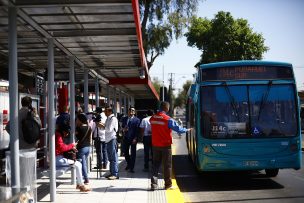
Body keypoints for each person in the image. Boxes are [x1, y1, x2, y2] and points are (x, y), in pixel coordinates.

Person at [150, 101, 192, 191]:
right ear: (167, 108)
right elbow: (179, 130)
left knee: (155, 165)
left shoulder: (152, 118)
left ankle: (153, 184)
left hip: (155, 145)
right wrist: (187, 129)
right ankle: (168, 185)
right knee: (167, 165)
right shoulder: (168, 119)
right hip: (165, 146)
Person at [55, 122, 90, 192]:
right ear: (63, 131)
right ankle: (81, 185)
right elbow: (61, 147)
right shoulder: (58, 136)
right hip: (57, 159)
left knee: (78, 164)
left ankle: (79, 184)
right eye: (66, 132)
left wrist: (71, 147)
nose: (67, 134)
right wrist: (72, 145)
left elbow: (61, 147)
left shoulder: (58, 134)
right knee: (78, 164)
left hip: (58, 158)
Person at [121, 106, 140, 173]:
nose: (131, 112)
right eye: (130, 110)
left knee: (133, 153)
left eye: (133, 110)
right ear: (128, 111)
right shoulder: (124, 119)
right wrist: (123, 129)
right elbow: (122, 127)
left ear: (134, 112)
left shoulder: (137, 120)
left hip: (133, 139)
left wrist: (135, 138)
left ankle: (132, 168)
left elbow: (137, 130)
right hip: (126, 138)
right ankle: (129, 163)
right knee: (125, 152)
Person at [75, 113, 92, 185]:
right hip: (88, 147)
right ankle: (84, 177)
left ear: (80, 120)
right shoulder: (89, 127)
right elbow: (90, 138)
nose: (76, 121)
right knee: (83, 163)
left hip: (81, 148)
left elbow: (75, 137)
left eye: (77, 120)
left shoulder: (79, 128)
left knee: (81, 164)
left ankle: (85, 179)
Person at [104, 105, 119, 180]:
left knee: (113, 157)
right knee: (110, 158)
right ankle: (112, 172)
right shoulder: (108, 118)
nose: (104, 112)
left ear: (110, 111)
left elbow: (109, 129)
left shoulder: (113, 119)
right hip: (108, 140)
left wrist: (102, 126)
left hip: (112, 139)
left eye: (106, 111)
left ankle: (115, 174)